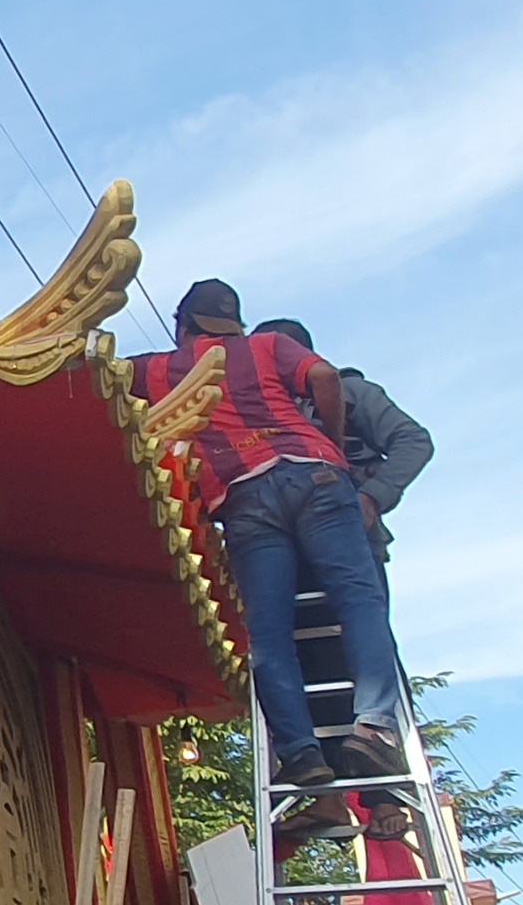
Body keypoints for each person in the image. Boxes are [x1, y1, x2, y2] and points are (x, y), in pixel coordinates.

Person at [130, 280, 408, 819]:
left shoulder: (159, 368)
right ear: (235, 322)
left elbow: (93, 370)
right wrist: (329, 439)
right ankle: (374, 726)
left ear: (181, 324)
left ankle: (301, 755)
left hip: (243, 497)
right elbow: (324, 377)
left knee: (270, 633)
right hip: (317, 479)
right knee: (359, 602)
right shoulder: (267, 347)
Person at [251, 318, 431, 559]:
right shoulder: (250, 409)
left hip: (350, 533)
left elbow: (413, 441)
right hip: (276, 540)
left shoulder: (349, 392)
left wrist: (371, 497)